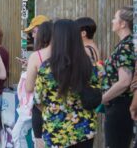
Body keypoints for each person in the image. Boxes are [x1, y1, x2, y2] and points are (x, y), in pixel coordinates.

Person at [34, 19, 100, 147]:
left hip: (56, 131)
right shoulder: (90, 64)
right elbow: (98, 92)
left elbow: (38, 100)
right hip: (84, 131)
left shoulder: (46, 68)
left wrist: (55, 109)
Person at [15, 21, 53, 148]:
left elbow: (29, 87)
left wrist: (30, 69)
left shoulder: (37, 56)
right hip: (62, 110)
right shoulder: (69, 55)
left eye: (35, 32)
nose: (32, 36)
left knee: (25, 136)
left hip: (40, 105)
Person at [101, 6, 135, 148]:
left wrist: (102, 98)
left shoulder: (126, 46)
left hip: (120, 106)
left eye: (115, 18)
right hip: (120, 105)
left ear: (123, 24)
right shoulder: (126, 44)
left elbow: (124, 81)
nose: (112, 21)